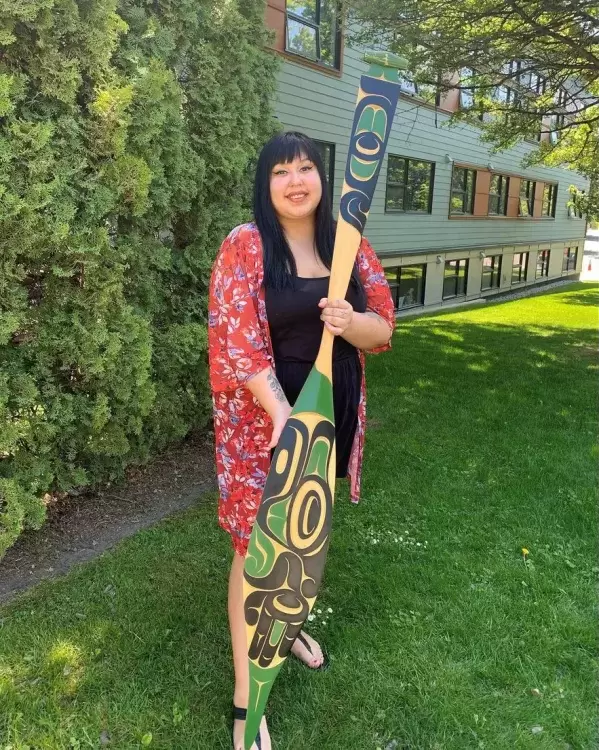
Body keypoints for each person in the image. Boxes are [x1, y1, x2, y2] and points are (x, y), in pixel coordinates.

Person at [208, 131, 395, 749]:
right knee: (255, 550)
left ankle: (286, 630)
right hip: (266, 425)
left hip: (327, 419)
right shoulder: (246, 244)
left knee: (302, 537)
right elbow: (238, 339)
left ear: (323, 178)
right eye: (281, 170)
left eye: (306, 168)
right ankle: (247, 697)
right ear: (266, 185)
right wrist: (284, 417)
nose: (295, 180)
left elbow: (381, 331)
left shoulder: (348, 244)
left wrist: (352, 320)